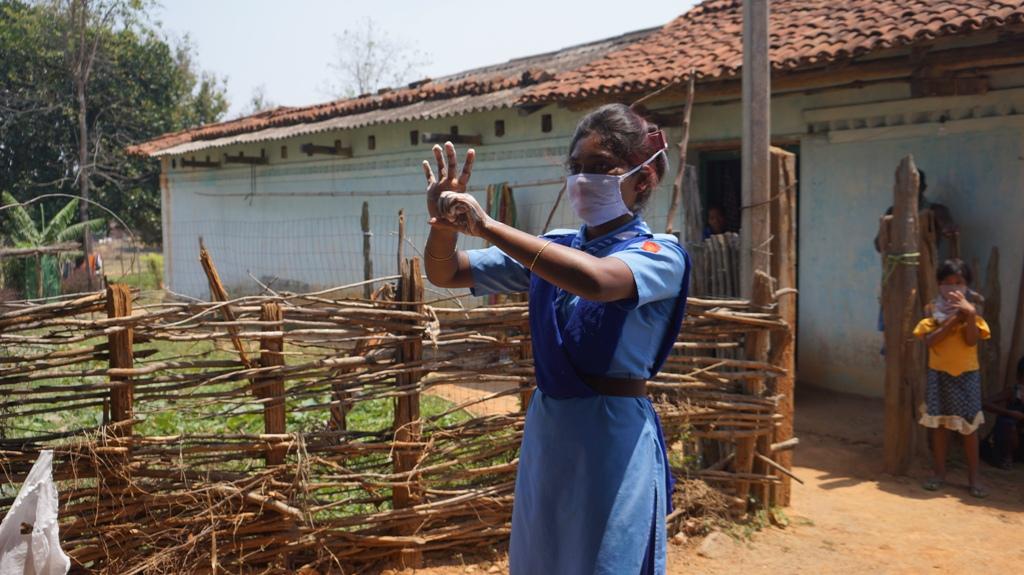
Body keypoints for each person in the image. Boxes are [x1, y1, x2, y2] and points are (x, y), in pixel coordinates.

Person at [421, 104, 688, 575]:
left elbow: (598, 282)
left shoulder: (659, 253)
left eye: (602, 169)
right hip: (550, 428)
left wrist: (486, 227)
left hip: (611, 435)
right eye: (577, 168)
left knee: (606, 559)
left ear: (642, 180)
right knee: (542, 555)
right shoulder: (557, 246)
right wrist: (444, 227)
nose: (585, 180)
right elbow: (446, 272)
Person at [913, 259, 991, 498]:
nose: (953, 288)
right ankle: (938, 474)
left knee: (969, 429)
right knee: (940, 427)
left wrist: (968, 316)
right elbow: (929, 341)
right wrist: (953, 320)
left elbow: (970, 341)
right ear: (939, 285)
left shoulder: (973, 311)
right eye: (947, 284)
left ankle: (974, 478)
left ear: (967, 285)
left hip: (967, 375)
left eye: (959, 283)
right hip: (939, 374)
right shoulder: (931, 310)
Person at [982, 356, 1024, 469]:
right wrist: (1009, 413)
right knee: (1007, 423)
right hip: (1011, 438)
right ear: (1020, 376)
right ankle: (1006, 457)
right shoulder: (1013, 392)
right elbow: (984, 403)